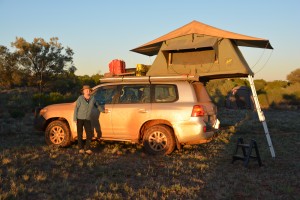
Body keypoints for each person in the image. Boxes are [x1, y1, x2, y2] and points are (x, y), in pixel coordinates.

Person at [73, 85, 102, 155]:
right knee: (79, 134)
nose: (87, 91)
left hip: (87, 119)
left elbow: (97, 105)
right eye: (86, 90)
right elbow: (76, 108)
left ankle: (87, 148)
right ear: (83, 91)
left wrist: (103, 110)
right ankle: (80, 148)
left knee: (89, 134)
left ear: (90, 91)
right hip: (80, 118)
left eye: (89, 90)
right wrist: (75, 118)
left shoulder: (93, 98)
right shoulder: (80, 98)